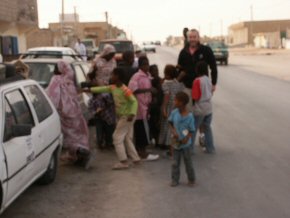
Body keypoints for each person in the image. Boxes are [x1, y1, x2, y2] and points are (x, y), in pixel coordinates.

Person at [84, 67, 141, 170]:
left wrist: (132, 113)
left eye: (112, 75)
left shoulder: (125, 90)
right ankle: (135, 158)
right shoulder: (113, 87)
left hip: (127, 117)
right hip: (123, 116)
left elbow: (134, 101)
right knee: (126, 138)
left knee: (116, 137)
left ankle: (123, 162)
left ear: (117, 76)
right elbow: (102, 88)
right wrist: (88, 89)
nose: (111, 77)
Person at [46, 60, 91, 169]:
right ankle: (78, 155)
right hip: (75, 113)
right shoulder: (69, 80)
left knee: (68, 136)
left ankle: (81, 153)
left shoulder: (56, 80)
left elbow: (52, 96)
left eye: (56, 68)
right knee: (76, 135)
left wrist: (49, 108)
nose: (54, 70)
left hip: (64, 113)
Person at [128, 56, 159, 161]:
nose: (147, 66)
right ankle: (142, 152)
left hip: (146, 106)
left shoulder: (148, 76)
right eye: (145, 64)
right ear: (140, 65)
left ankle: (141, 150)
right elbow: (133, 90)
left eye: (148, 63)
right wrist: (148, 90)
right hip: (139, 107)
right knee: (141, 129)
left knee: (144, 129)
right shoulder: (136, 76)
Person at [177, 29, 217, 104]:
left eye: (194, 37)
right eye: (190, 37)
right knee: (189, 112)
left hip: (202, 88)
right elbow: (179, 69)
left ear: (198, 38)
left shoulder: (206, 50)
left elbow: (213, 67)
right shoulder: (183, 52)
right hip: (187, 88)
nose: (192, 39)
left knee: (201, 112)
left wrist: (213, 83)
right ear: (188, 39)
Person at [169, 92, 196, 187]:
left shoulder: (190, 116)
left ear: (182, 103)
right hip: (176, 142)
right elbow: (170, 123)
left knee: (188, 162)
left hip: (186, 144)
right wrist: (173, 131)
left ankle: (191, 179)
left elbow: (192, 130)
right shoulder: (174, 112)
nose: (174, 101)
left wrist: (187, 138)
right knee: (175, 162)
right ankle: (174, 179)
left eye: (176, 100)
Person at [87, 67, 116, 150]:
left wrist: (106, 103)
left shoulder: (105, 95)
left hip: (108, 117)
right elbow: (91, 110)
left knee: (109, 131)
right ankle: (100, 143)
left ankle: (109, 143)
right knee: (99, 131)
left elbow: (111, 102)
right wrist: (96, 112)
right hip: (99, 117)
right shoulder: (92, 100)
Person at [158, 65, 184, 152]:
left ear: (166, 74)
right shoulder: (179, 84)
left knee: (166, 125)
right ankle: (172, 144)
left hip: (168, 107)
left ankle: (165, 143)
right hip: (176, 107)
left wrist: (164, 109)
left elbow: (166, 97)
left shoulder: (165, 84)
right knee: (174, 126)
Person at [192, 61, 215, 153]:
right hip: (209, 107)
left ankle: (190, 150)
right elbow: (211, 91)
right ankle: (210, 148)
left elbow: (195, 96)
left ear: (197, 70)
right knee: (207, 128)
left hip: (199, 107)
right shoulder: (208, 80)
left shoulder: (197, 81)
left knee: (193, 128)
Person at [149, 64, 163, 147]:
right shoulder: (149, 80)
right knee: (153, 123)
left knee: (158, 123)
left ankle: (158, 141)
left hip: (159, 105)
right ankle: (155, 139)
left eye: (157, 70)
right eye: (154, 70)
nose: (156, 72)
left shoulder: (160, 80)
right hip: (152, 105)